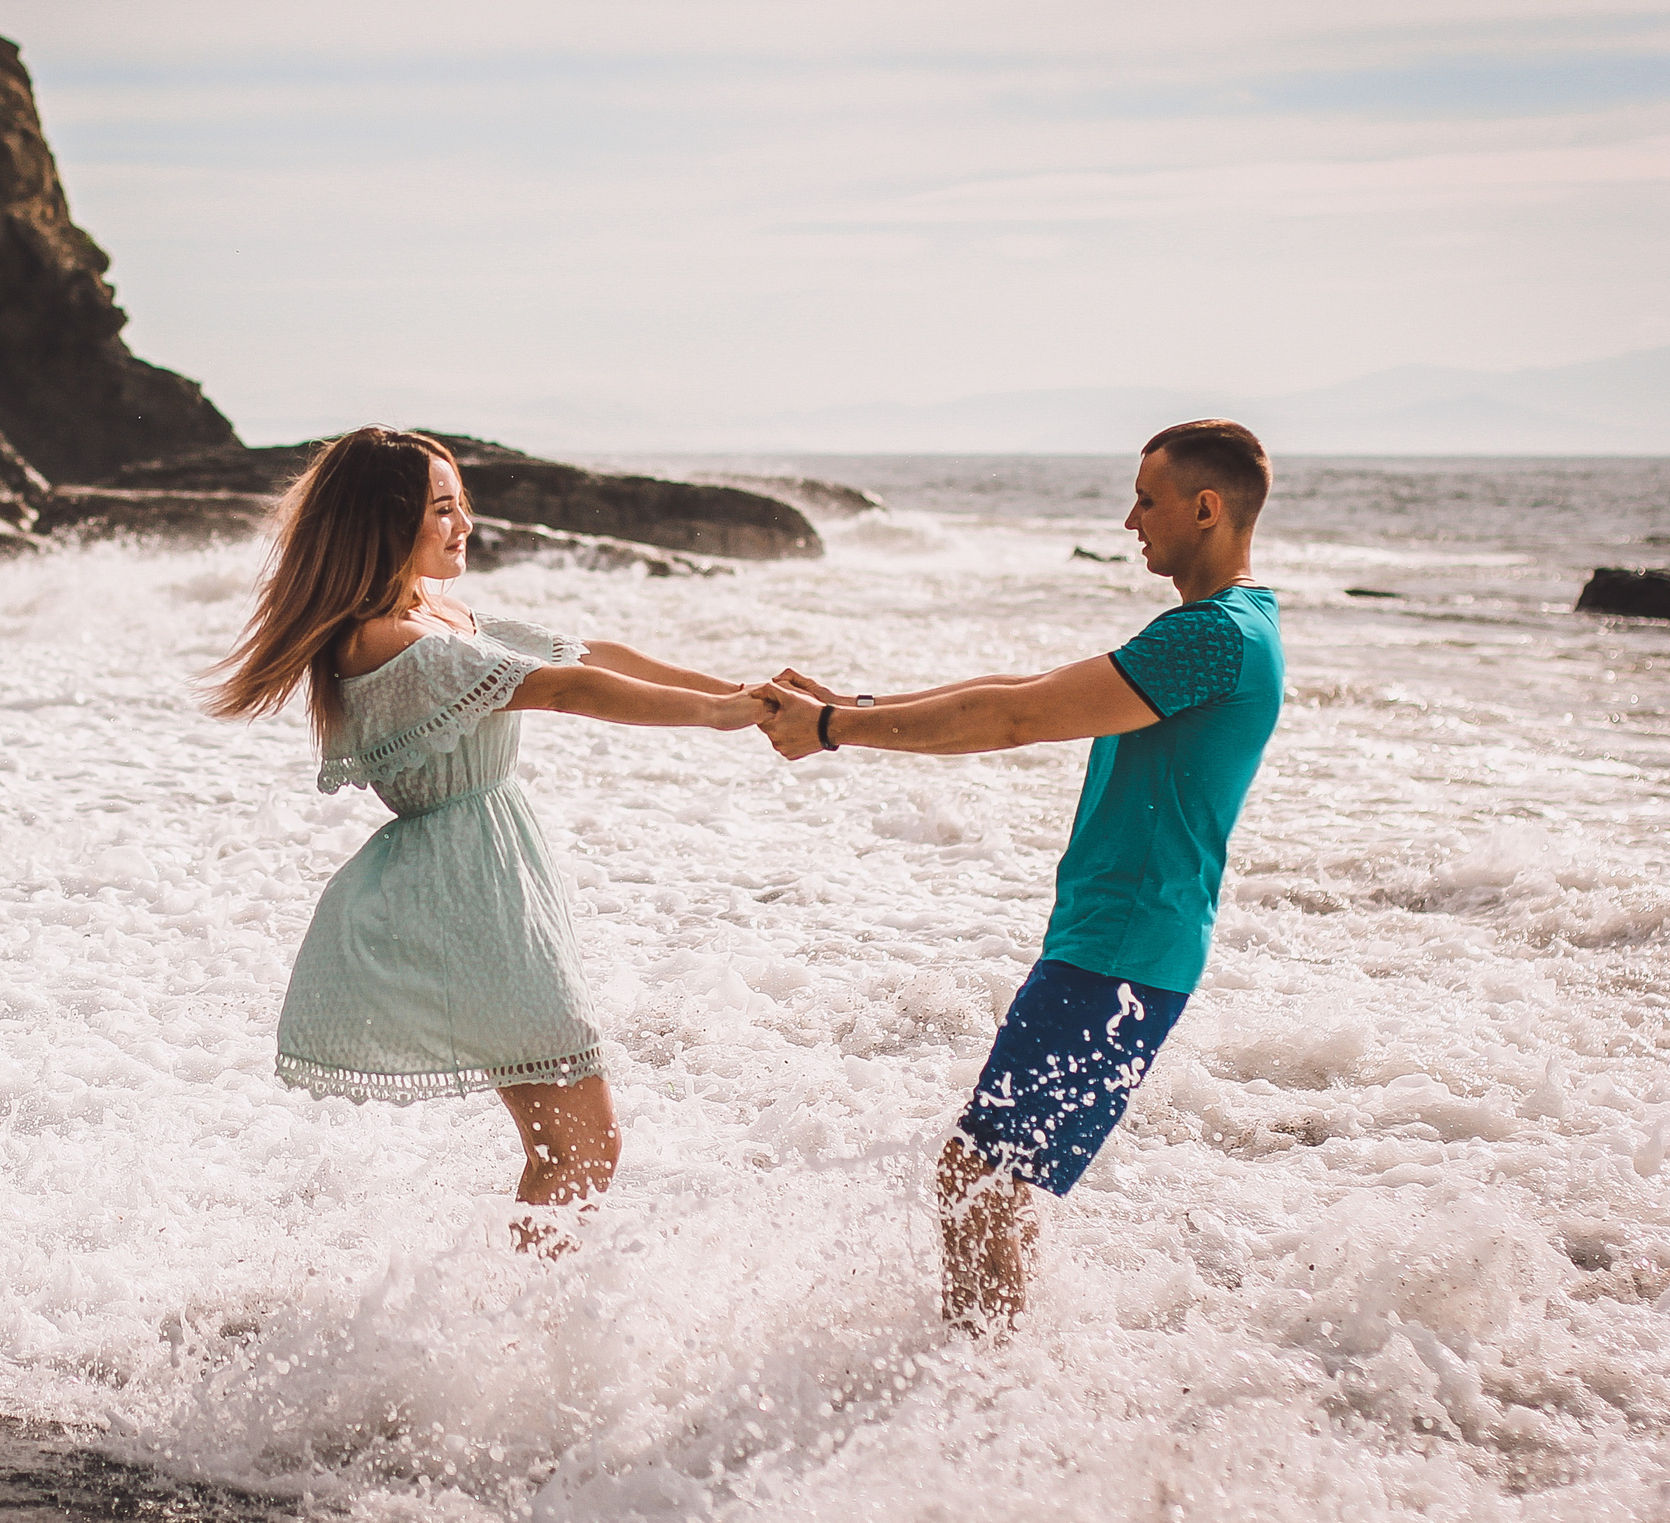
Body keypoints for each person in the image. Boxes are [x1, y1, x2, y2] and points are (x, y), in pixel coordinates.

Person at [756, 420, 1284, 1335]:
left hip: (1122, 948)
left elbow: (1015, 718)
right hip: (1121, 943)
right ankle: (1000, 1381)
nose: (1129, 519)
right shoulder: (1217, 631)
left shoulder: (1211, 639)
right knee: (997, 1177)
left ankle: (982, 1386)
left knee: (979, 1173)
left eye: (1146, 498)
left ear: (1207, 508)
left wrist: (833, 731)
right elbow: (1029, 684)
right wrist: (852, 703)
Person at [207, 426, 774, 1241]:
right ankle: (514, 1334)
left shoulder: (430, 612)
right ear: (385, 518)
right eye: (442, 508)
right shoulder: (392, 641)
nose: (465, 523)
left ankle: (509, 1328)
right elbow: (566, 689)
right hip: (468, 894)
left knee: (574, 1145)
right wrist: (720, 715)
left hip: (488, 876)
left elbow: (585, 652)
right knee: (582, 1145)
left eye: (462, 503)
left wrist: (741, 690)